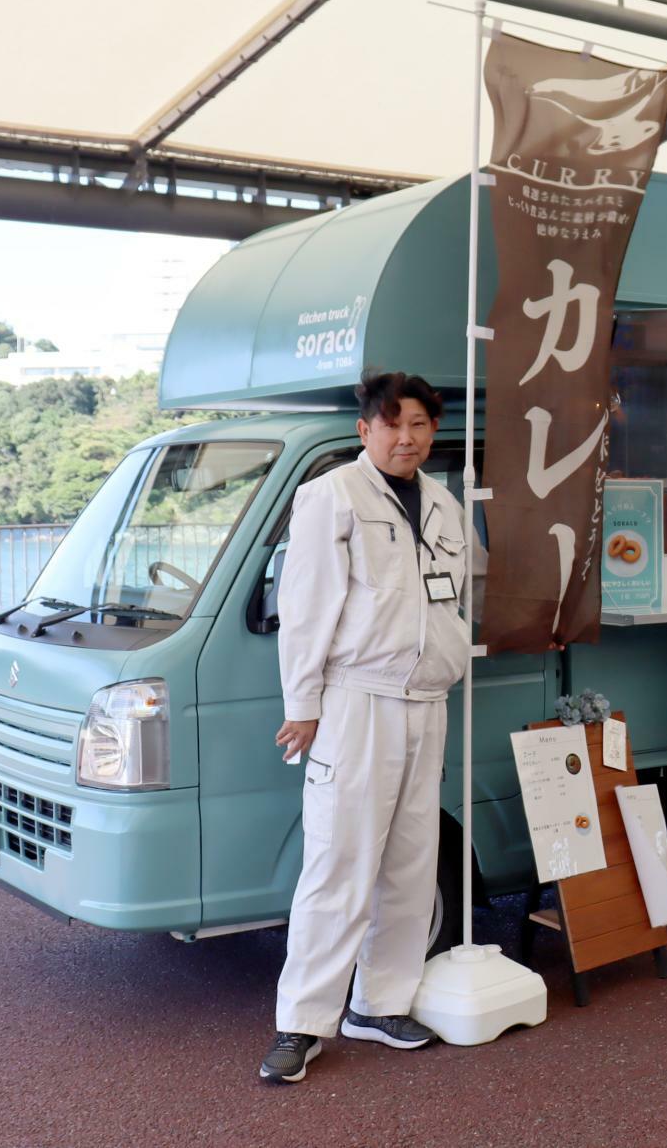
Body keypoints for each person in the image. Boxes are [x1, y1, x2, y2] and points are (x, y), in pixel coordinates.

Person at [259, 371, 473, 1084]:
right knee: (338, 864)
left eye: (418, 424)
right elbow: (306, 605)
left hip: (427, 704)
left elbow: (451, 599)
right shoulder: (330, 498)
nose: (405, 437)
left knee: (411, 864)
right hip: (357, 703)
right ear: (365, 431)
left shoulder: (445, 505)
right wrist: (303, 703)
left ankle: (379, 1004)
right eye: (391, 425)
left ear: (432, 431)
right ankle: (302, 1023)